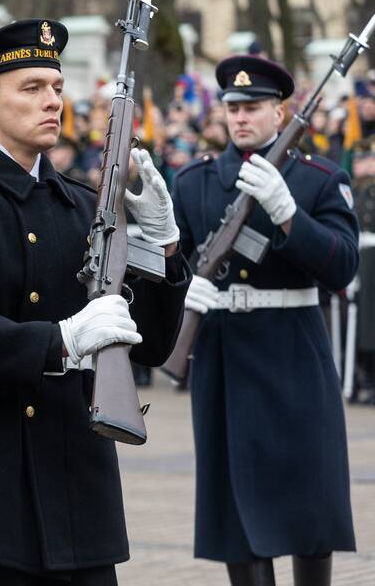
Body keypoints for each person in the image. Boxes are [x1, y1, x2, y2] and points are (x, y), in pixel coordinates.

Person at [0, 20, 190, 585]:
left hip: (76, 478)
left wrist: (166, 248)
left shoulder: (81, 205)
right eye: (31, 87)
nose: (52, 101)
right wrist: (62, 341)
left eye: (56, 87)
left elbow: (149, 344)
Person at [173, 55, 359, 586]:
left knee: (309, 507)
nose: (240, 118)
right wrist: (186, 284)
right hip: (225, 358)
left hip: (295, 356)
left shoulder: (320, 180)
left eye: (253, 107)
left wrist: (289, 216)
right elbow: (175, 268)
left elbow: (342, 267)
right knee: (236, 518)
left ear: (281, 112)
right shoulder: (197, 183)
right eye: (232, 108)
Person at [353, 136, 375, 404]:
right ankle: (363, 376)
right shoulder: (352, 188)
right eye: (360, 160)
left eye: (368, 159)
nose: (364, 165)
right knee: (358, 322)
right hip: (359, 255)